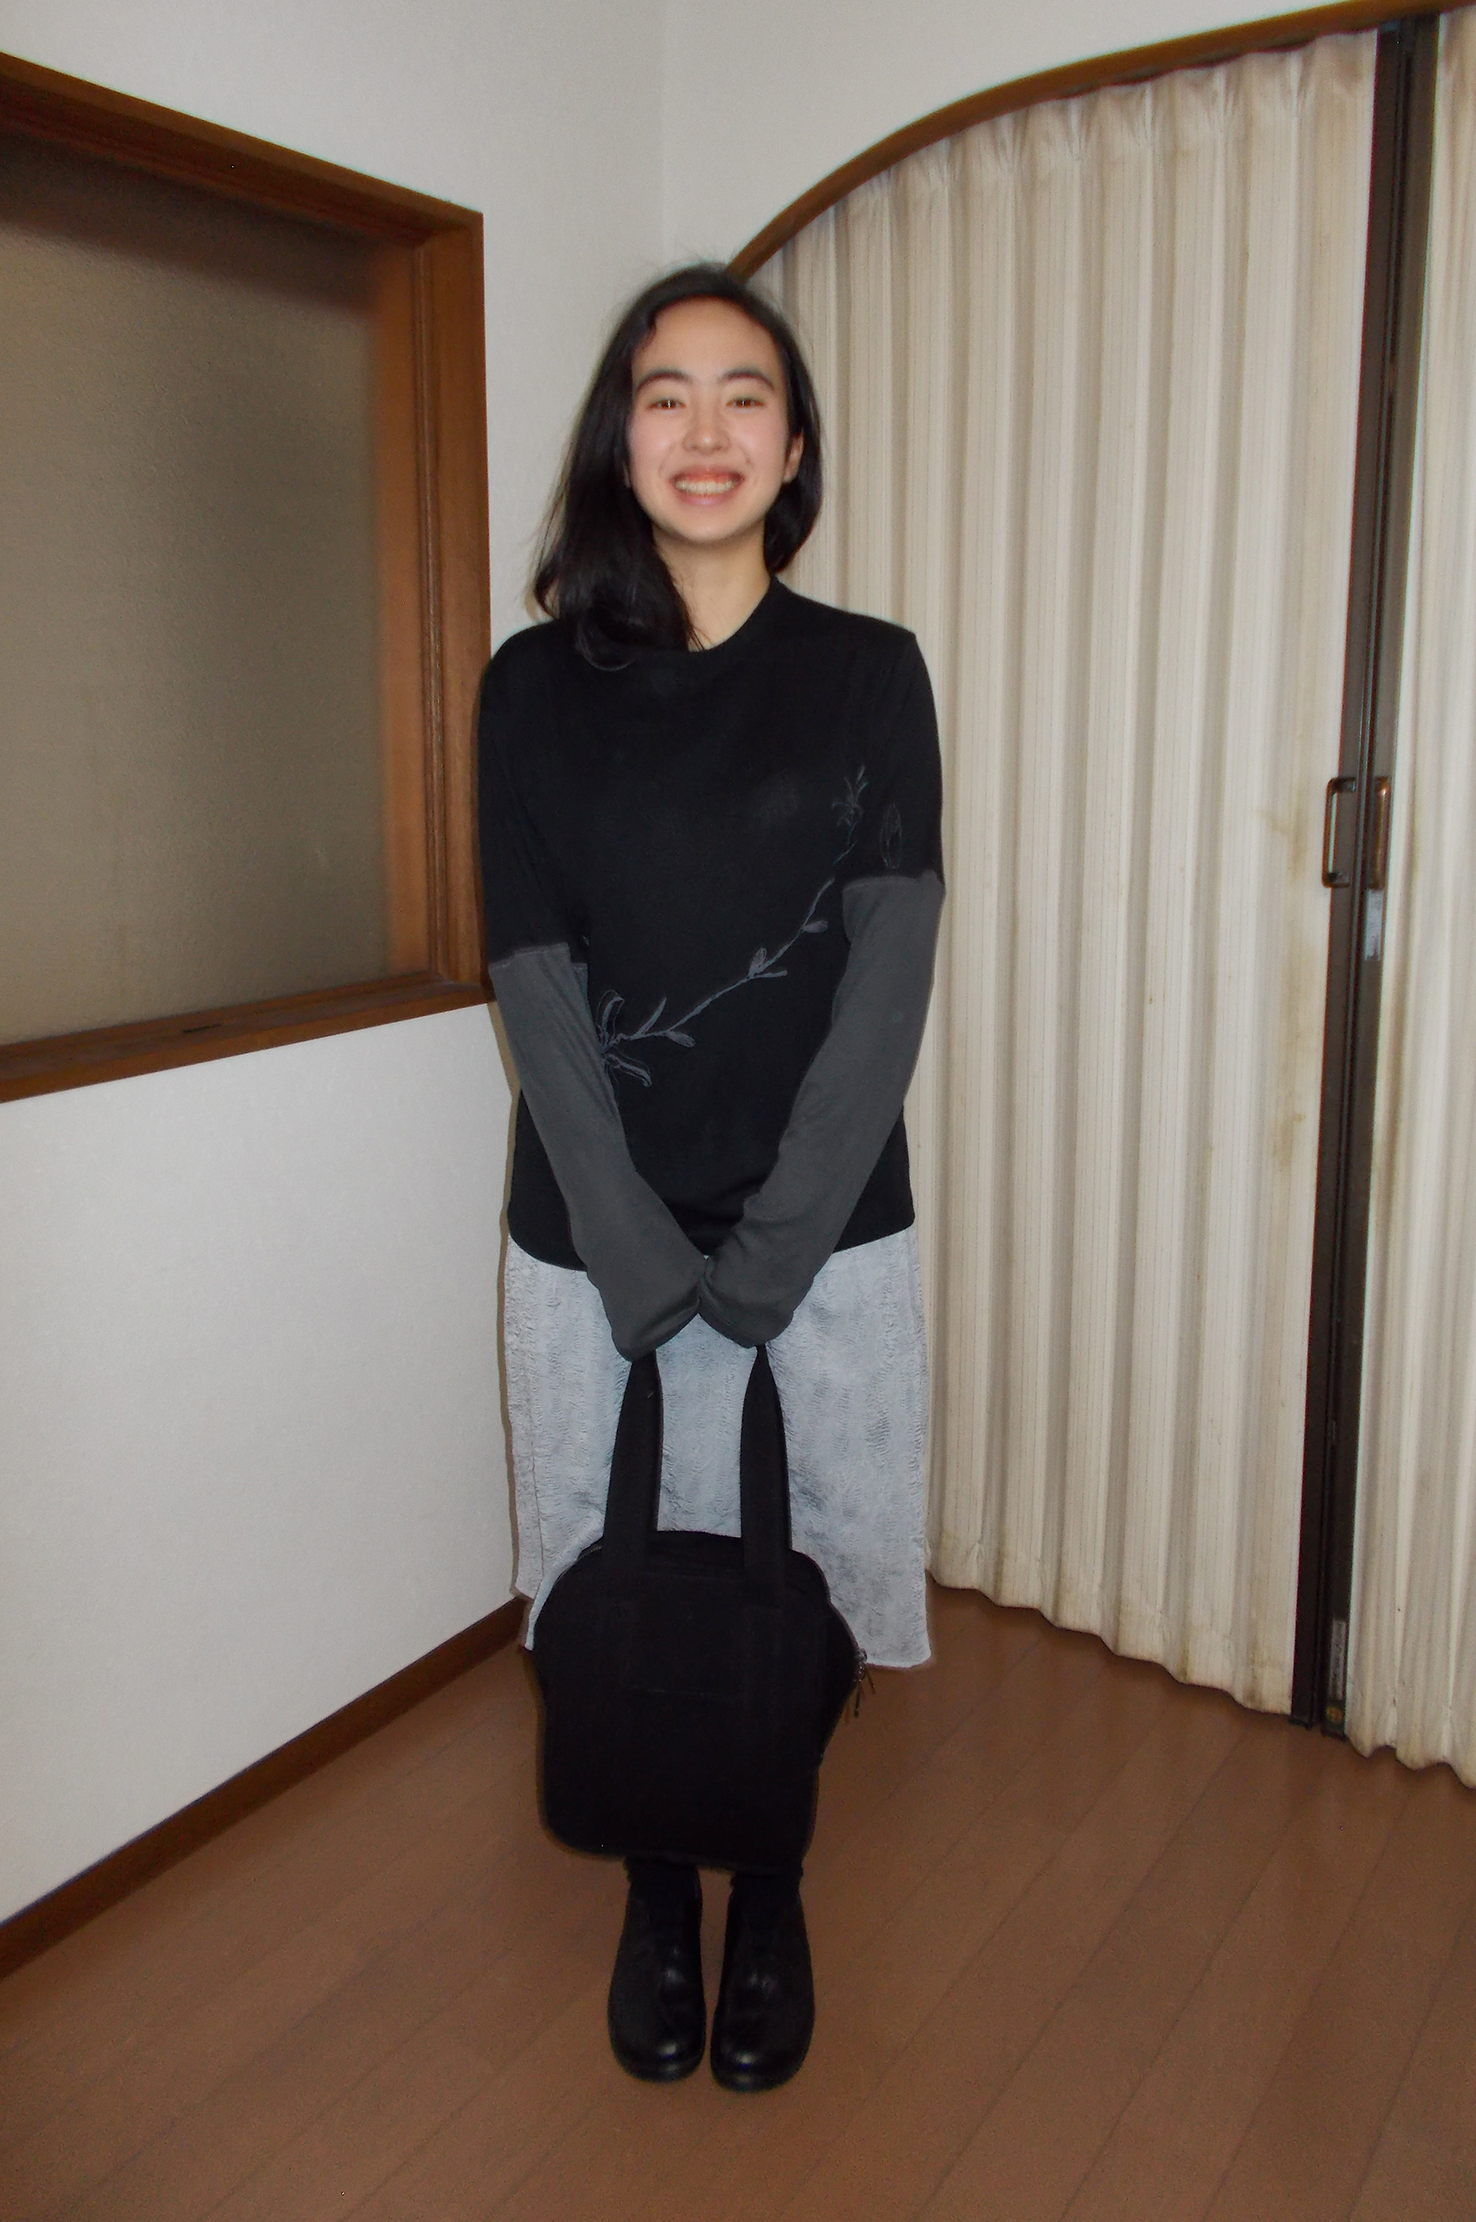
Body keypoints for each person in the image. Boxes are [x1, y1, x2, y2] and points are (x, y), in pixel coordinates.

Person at [477, 263, 944, 2093]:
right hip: (590, 1249)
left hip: (821, 1244)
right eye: (663, 394)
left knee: (791, 1583)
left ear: (795, 445)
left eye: (745, 393)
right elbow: (535, 983)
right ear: (621, 440)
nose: (704, 429)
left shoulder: (869, 674)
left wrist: (764, 1262)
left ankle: (775, 1885)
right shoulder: (534, 687)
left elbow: (886, 984)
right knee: (617, 1581)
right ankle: (657, 1895)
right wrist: (643, 1261)